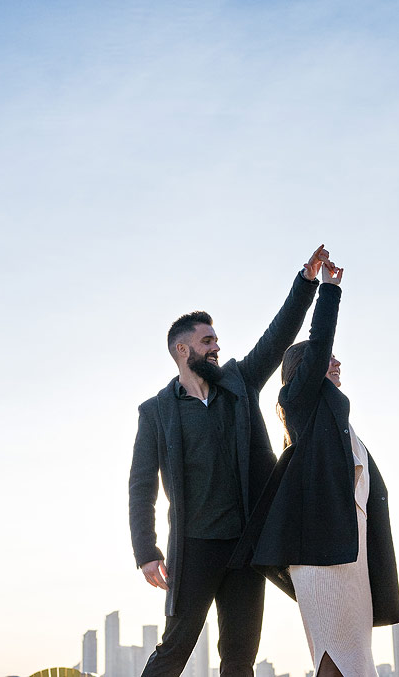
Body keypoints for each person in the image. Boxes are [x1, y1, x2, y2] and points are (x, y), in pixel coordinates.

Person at [128, 245, 329, 677]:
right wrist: (146, 551)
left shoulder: (238, 383)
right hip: (194, 547)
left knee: (239, 658)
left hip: (244, 546)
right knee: (175, 649)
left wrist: (306, 282)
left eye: (217, 339)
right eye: (207, 340)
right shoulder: (156, 412)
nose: (217, 346)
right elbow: (141, 486)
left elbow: (276, 339)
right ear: (183, 350)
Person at [232, 258, 399, 677]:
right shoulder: (300, 403)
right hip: (320, 555)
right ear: (305, 370)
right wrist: (328, 290)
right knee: (334, 655)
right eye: (327, 360)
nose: (337, 363)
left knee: (356, 661)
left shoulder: (339, 424)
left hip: (349, 553)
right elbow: (320, 340)